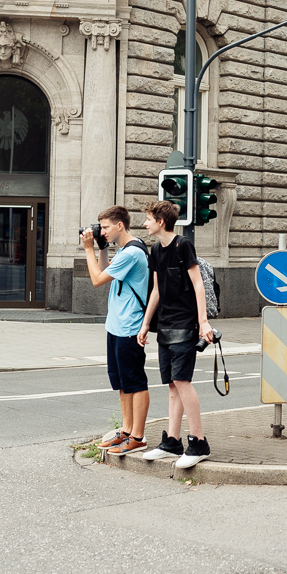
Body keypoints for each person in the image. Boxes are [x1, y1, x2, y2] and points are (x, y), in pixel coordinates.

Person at [138, 200, 214, 468]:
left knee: (182, 381)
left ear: (160, 221)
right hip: (166, 324)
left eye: (148, 218)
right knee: (172, 383)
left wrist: (203, 321)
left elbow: (198, 284)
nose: (145, 223)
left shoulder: (183, 245)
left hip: (185, 323)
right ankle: (172, 441)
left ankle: (199, 441)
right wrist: (146, 323)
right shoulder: (156, 249)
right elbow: (156, 290)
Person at [80, 205, 151, 456]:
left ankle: (138, 436)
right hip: (116, 325)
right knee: (122, 383)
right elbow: (104, 270)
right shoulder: (125, 249)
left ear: (120, 225)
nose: (103, 231)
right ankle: (127, 429)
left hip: (130, 327)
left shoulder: (132, 252)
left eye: (106, 227)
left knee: (135, 382)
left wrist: (88, 249)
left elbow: (97, 280)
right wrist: (100, 248)